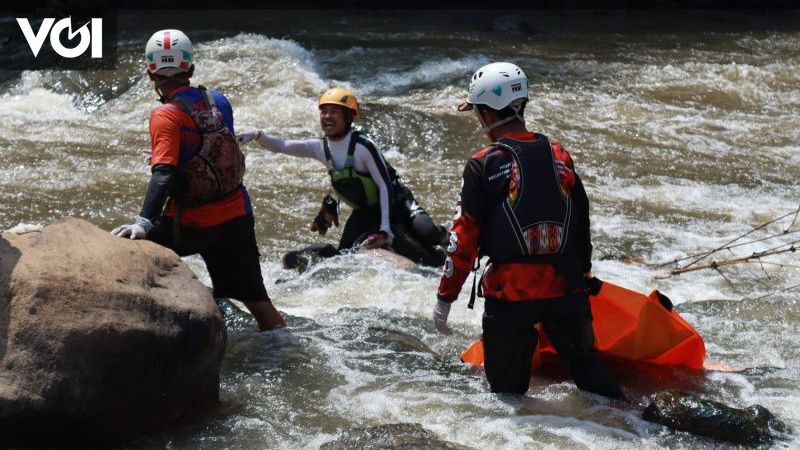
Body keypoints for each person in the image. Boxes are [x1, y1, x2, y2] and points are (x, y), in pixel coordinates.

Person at [432, 62, 623, 399]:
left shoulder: (483, 163)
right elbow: (581, 216)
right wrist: (584, 273)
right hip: (567, 289)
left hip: (511, 295)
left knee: (508, 399)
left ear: (488, 114)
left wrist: (445, 298)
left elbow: (463, 237)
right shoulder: (559, 153)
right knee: (595, 385)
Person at [110, 29, 285, 331]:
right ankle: (284, 345)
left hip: (190, 225)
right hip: (235, 215)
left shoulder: (165, 115)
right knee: (257, 301)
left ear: (151, 74)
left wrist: (143, 223)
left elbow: (163, 173)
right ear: (189, 68)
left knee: (122, 252)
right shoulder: (218, 101)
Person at [236, 88, 449, 267]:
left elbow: (384, 186)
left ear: (348, 117)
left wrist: (385, 228)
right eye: (324, 111)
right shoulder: (319, 147)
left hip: (397, 201)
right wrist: (257, 135)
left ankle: (457, 250)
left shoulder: (364, 147)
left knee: (427, 231)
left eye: (334, 112)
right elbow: (281, 146)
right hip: (363, 213)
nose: (327, 117)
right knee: (344, 258)